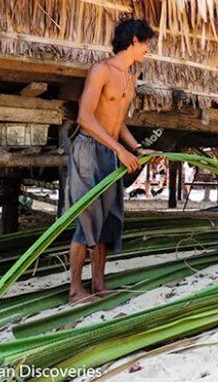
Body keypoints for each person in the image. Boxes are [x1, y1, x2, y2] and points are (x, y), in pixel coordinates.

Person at [67, 19, 158, 303]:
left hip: (110, 151)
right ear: (133, 40)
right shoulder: (101, 70)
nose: (147, 50)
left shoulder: (130, 79)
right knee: (87, 219)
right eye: (145, 44)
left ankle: (98, 284)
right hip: (88, 149)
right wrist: (120, 150)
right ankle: (74, 290)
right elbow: (85, 118)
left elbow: (117, 123)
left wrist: (137, 147)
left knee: (107, 220)